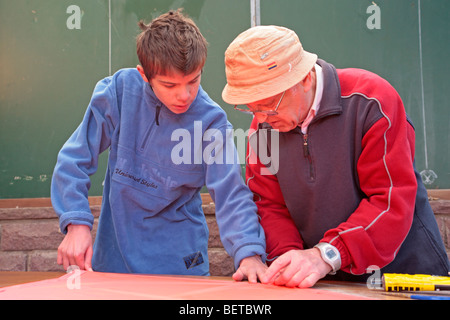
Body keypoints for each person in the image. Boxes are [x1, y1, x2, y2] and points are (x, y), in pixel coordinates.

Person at [222, 25, 450, 288]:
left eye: (269, 106)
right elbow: (269, 205)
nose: (261, 119)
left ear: (305, 78)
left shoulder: (372, 102)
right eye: (251, 108)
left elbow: (389, 200)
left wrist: (327, 253)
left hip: (403, 272)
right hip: (323, 278)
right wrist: (290, 260)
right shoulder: (262, 130)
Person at [51, 10, 267, 282]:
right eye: (169, 84)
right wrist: (76, 223)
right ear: (145, 75)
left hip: (179, 264)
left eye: (194, 81)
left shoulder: (211, 123)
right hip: (112, 260)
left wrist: (249, 253)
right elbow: (74, 159)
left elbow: (230, 194)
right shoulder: (118, 92)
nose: (184, 95)